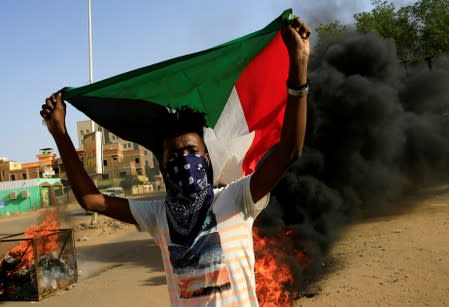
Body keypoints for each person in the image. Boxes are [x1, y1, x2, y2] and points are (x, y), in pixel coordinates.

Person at [40, 17, 310, 307]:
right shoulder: (159, 217)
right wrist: (61, 134)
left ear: (206, 159)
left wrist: (299, 65)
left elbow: (289, 151)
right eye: (175, 155)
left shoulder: (237, 198)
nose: (185, 159)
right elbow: (92, 201)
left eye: (192, 151)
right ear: (164, 167)